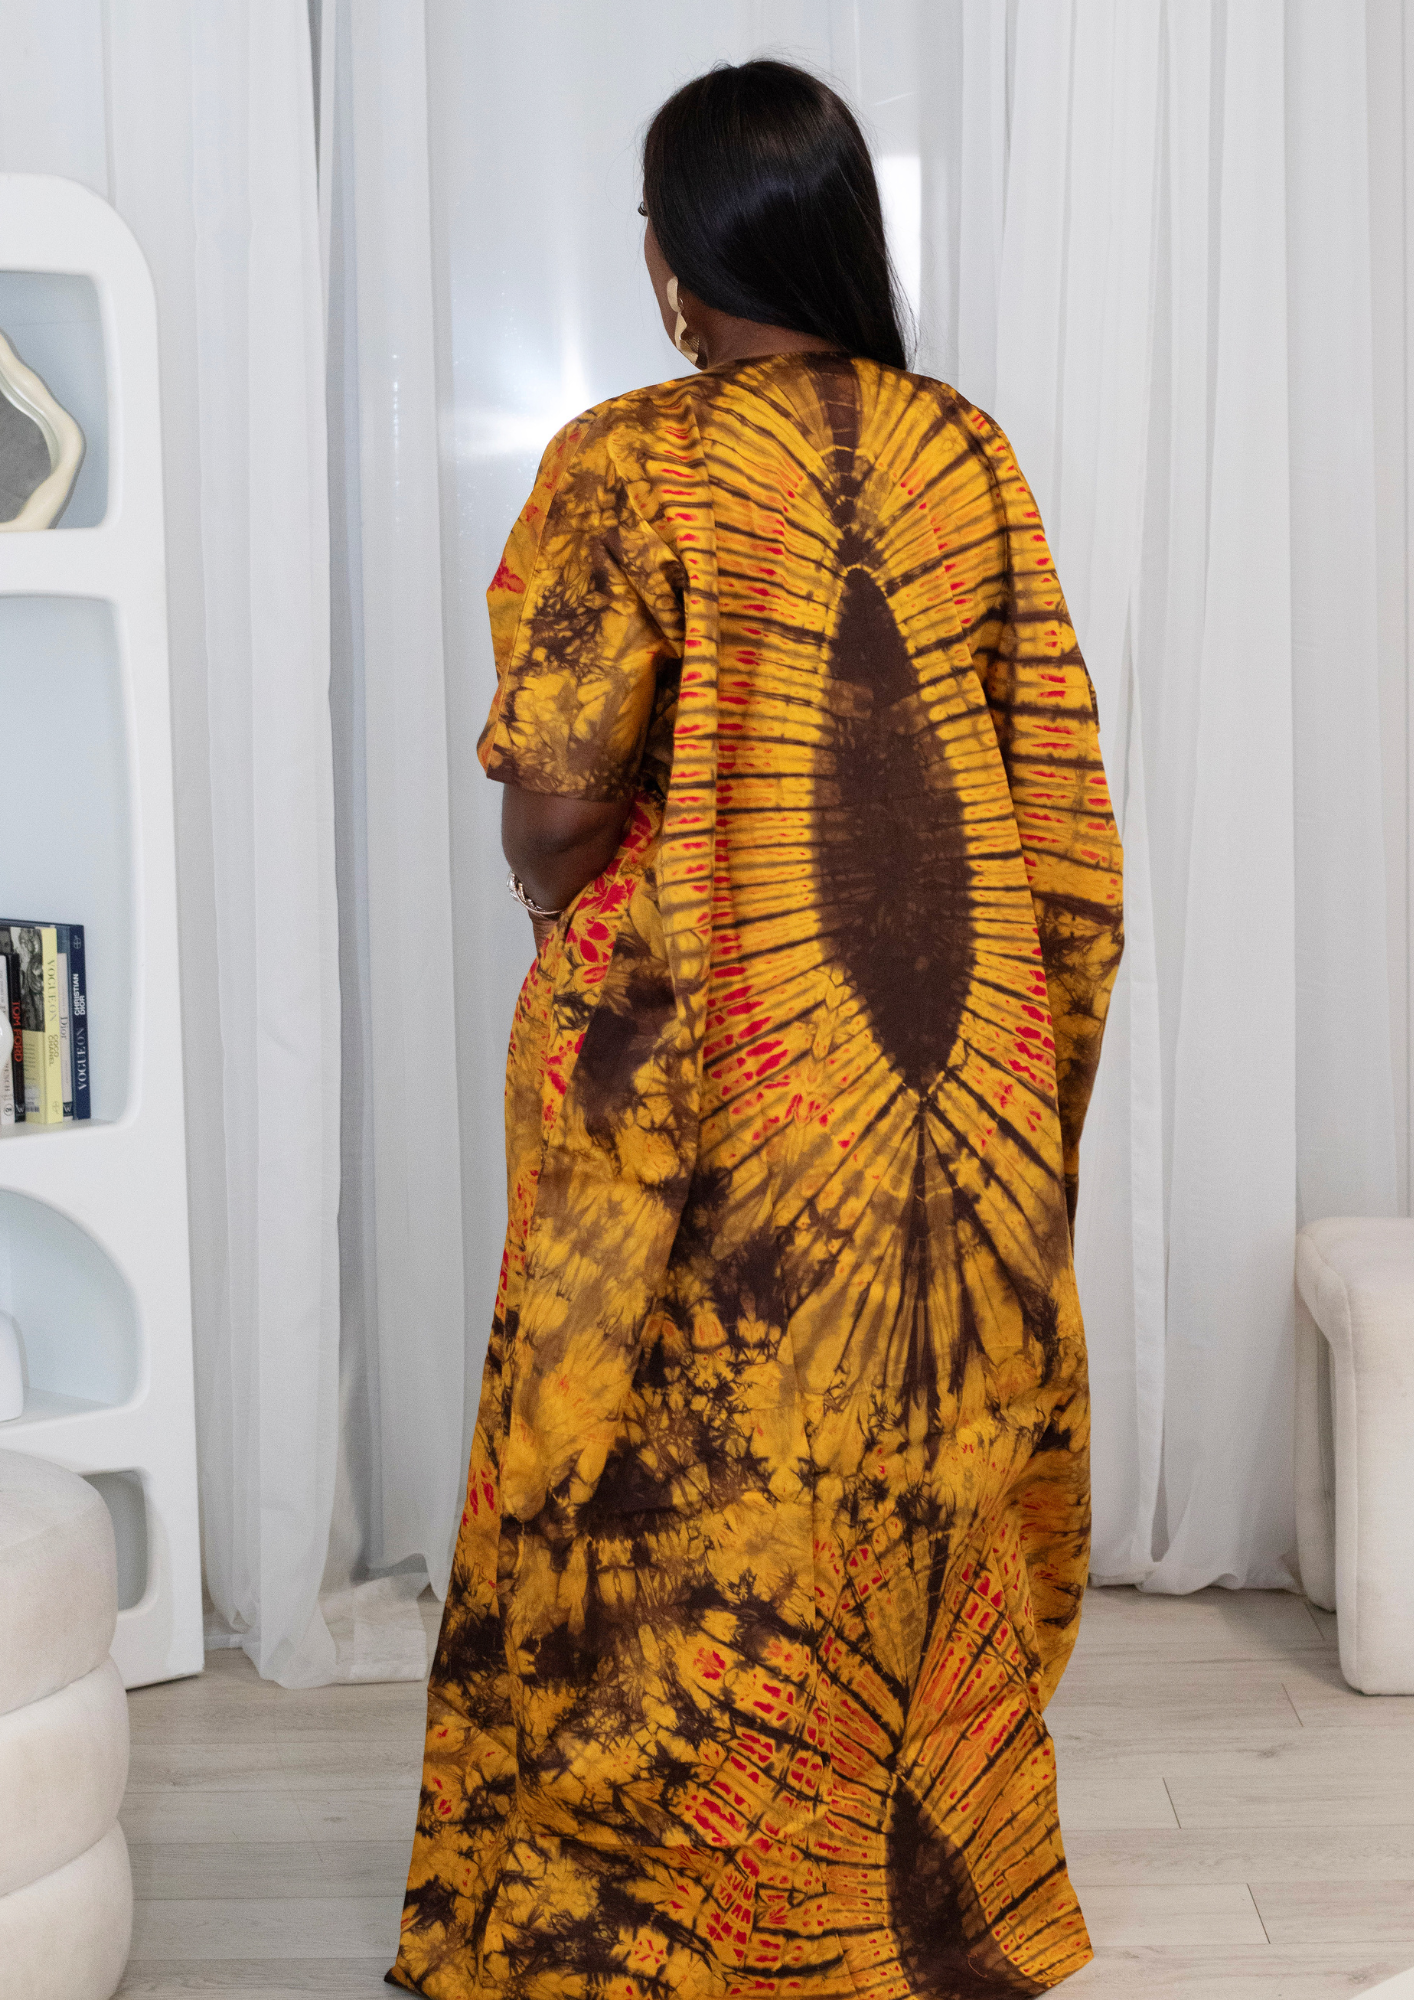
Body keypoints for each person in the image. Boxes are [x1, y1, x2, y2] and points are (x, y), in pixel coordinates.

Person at [389, 57, 1122, 2000]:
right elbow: (1059, 821)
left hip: (712, 1106)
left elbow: (557, 799)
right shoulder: (966, 456)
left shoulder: (623, 463)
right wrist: (1024, 1077)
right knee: (902, 1490)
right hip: (950, 1090)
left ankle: (662, 1932)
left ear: (668, 261)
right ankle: (912, 1916)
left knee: (657, 1492)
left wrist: (564, 924)